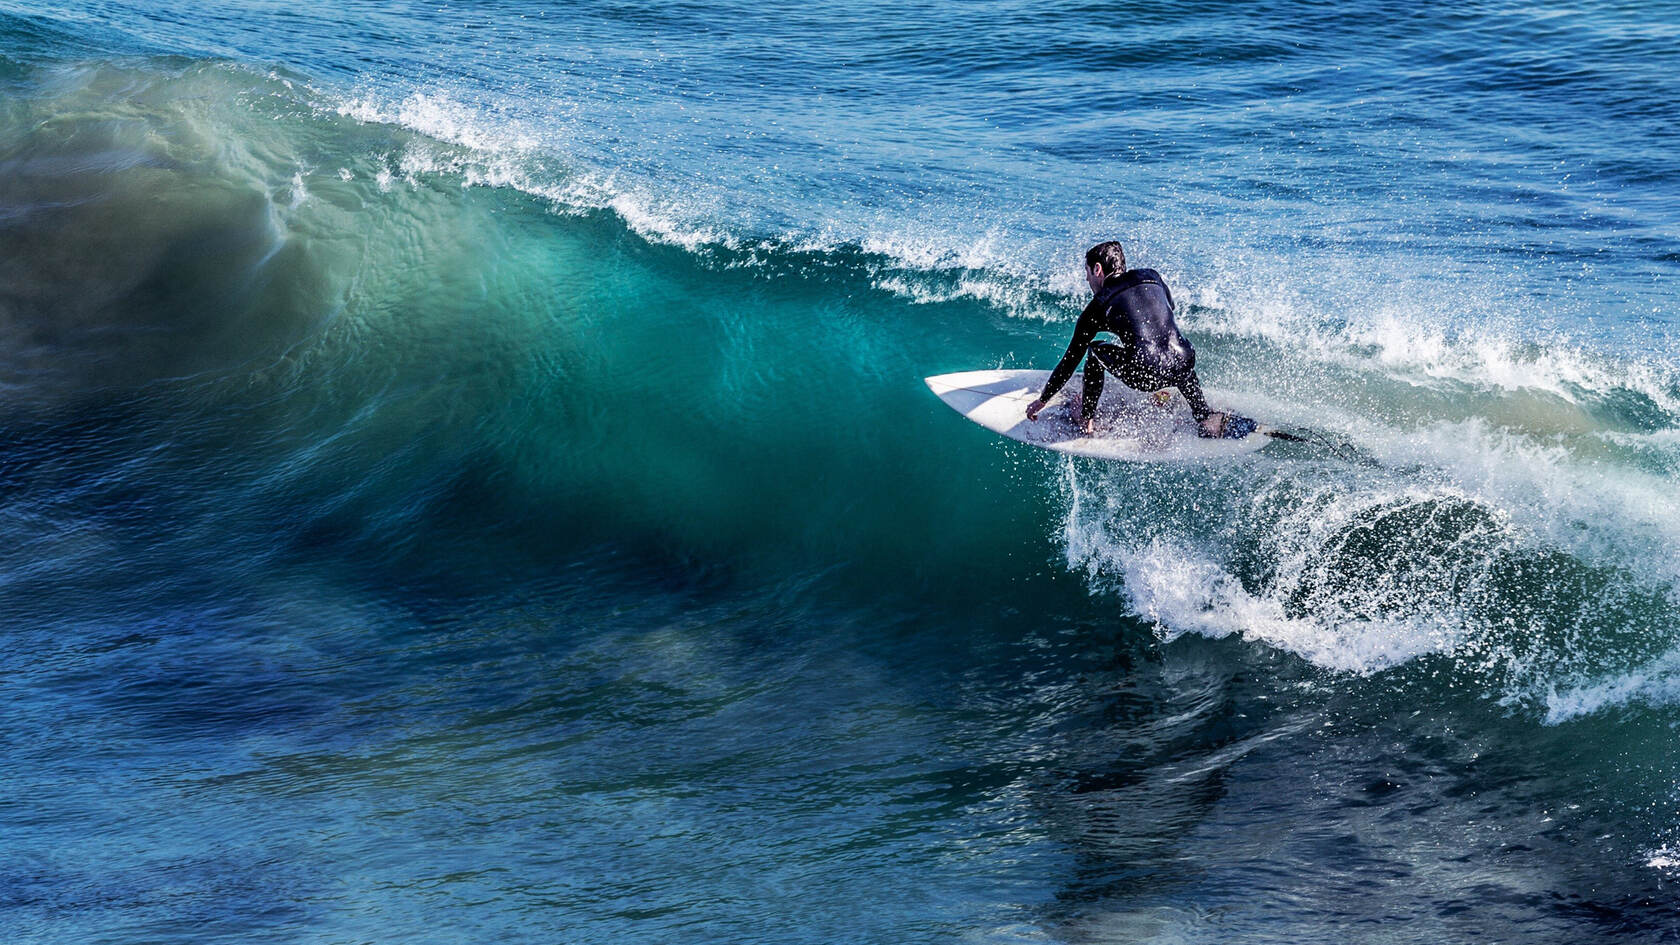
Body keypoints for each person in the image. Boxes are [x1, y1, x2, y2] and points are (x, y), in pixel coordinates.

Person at [1025, 241, 1235, 438]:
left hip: (1145, 374)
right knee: (1173, 348)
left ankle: (1086, 418)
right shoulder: (1151, 276)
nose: (1087, 280)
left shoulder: (1099, 303)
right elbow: (1168, 308)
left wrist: (1043, 400)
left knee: (1094, 351)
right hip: (1185, 362)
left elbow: (1070, 361)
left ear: (1097, 269)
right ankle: (1204, 417)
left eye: (1087, 273)